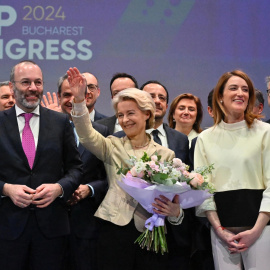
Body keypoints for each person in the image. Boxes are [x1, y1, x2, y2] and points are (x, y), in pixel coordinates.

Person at [67, 67, 184, 270]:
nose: (125, 120)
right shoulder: (112, 144)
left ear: (147, 114)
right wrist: (78, 101)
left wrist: (176, 213)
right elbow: (86, 134)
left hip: (151, 232)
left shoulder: (166, 155)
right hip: (113, 229)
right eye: (120, 115)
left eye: (131, 113)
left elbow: (175, 202)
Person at [0, 60, 82, 270]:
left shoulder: (60, 122)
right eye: (25, 82)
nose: (33, 88)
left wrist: (60, 188)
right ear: (11, 86)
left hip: (52, 229)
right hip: (7, 228)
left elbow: (76, 168)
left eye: (38, 82)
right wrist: (6, 189)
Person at [195, 70, 270, 270]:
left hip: (262, 228)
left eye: (245, 90)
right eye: (234, 88)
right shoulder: (205, 138)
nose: (240, 93)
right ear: (220, 96)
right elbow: (204, 190)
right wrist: (220, 230)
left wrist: (256, 230)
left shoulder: (265, 132)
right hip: (222, 231)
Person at [114, 80, 191, 269]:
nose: (157, 101)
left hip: (168, 235)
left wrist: (176, 213)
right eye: (151, 97)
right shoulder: (118, 139)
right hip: (124, 231)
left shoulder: (180, 140)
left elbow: (186, 182)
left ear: (166, 104)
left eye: (162, 98)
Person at [55, 73, 109, 270]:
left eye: (75, 94)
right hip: (51, 222)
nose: (70, 100)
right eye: (65, 95)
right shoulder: (45, 129)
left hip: (87, 224)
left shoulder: (102, 131)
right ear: (59, 97)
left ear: (85, 97)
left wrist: (90, 189)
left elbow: (110, 178)